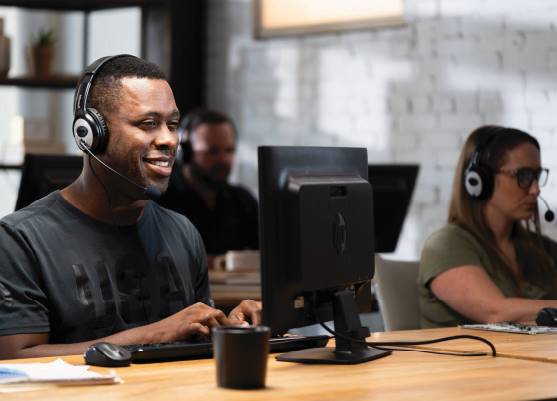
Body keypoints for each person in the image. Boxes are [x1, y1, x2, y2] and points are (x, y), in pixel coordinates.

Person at [0, 55, 259, 359]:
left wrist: (231, 329)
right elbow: (14, 359)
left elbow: (193, 339)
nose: (168, 140)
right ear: (91, 134)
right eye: (148, 124)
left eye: (172, 124)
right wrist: (153, 334)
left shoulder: (183, 232)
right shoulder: (19, 240)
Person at [418, 125, 557, 328]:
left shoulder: (542, 249)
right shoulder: (445, 245)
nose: (535, 190)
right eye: (524, 176)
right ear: (480, 181)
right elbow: (496, 312)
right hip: (469, 360)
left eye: (536, 176)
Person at [158, 108, 258, 258]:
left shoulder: (243, 201)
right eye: (213, 151)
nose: (224, 160)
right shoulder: (161, 200)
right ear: (186, 153)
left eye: (229, 150)